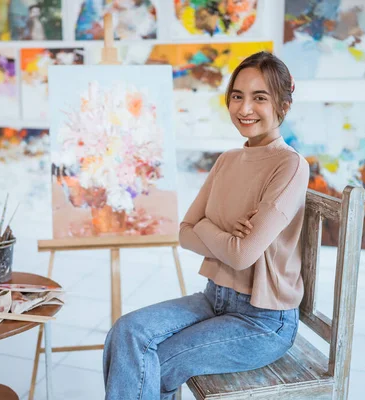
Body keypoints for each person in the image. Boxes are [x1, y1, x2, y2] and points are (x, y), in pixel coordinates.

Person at [103, 51, 309, 400]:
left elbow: (242, 255)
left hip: (263, 321)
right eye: (237, 96)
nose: (245, 109)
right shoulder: (228, 160)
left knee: (158, 362)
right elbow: (184, 232)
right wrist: (224, 236)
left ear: (283, 105)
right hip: (213, 299)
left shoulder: (289, 166)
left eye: (260, 98)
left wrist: (209, 229)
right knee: (126, 332)